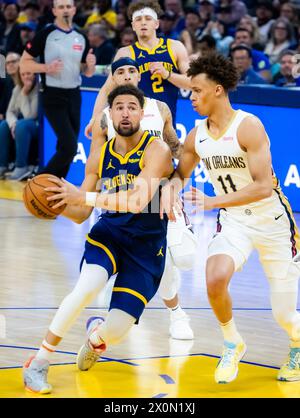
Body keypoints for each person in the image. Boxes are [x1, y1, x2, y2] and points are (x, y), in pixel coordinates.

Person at [23, 84, 174, 394]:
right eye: (119, 107)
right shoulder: (99, 155)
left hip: (146, 247)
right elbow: (80, 212)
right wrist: (56, 204)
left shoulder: (156, 150)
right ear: (110, 113)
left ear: (142, 114)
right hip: (110, 234)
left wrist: (85, 196)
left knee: (116, 330)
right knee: (86, 287)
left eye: (132, 107)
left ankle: (96, 336)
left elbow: (136, 201)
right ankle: (38, 362)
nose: (126, 112)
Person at [160, 53, 300, 384]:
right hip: (234, 221)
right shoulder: (197, 136)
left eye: (196, 90)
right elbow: (180, 174)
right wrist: (169, 192)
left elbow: (264, 187)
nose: (190, 97)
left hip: (273, 224)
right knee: (214, 277)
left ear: (219, 90)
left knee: (283, 315)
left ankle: (297, 345)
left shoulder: (248, 126)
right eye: (189, 91)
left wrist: (211, 202)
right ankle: (232, 341)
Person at [90, 57, 197, 340]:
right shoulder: (105, 117)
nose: (126, 75)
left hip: (158, 193)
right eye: (120, 72)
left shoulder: (159, 108)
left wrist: (190, 159)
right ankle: (175, 315)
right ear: (112, 79)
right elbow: (95, 163)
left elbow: (175, 148)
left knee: (181, 259)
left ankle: (170, 309)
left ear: (139, 76)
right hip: (121, 197)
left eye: (131, 71)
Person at [85, 0, 191, 138]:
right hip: (135, 127)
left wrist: (168, 74)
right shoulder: (125, 53)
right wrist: (94, 119)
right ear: (133, 25)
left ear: (156, 23)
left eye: (148, 18)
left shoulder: (175, 47)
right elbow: (106, 89)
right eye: (138, 19)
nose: (143, 22)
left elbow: (192, 82)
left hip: (165, 126)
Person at [20, 0, 96, 179]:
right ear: (54, 11)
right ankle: (39, 181)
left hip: (74, 94)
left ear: (74, 10)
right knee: (70, 146)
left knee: (66, 147)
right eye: (61, 7)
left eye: (68, 6)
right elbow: (24, 64)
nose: (65, 10)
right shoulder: (45, 34)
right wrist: (47, 68)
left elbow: (87, 72)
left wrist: (90, 66)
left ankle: (56, 188)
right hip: (52, 95)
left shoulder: (81, 37)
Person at [0, 68, 38, 180]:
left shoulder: (38, 89)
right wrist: (13, 124)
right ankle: (2, 165)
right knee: (3, 126)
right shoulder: (17, 89)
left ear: (35, 74)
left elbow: (30, 115)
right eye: (23, 74)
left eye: (29, 73)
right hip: (22, 123)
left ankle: (21, 166)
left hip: (38, 125)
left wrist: (25, 94)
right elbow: (10, 111)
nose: (26, 76)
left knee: (22, 125)